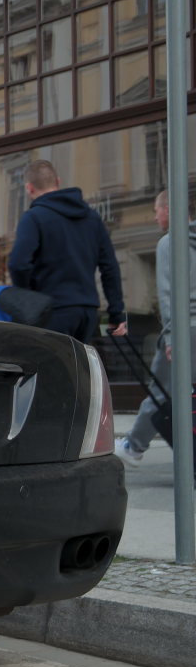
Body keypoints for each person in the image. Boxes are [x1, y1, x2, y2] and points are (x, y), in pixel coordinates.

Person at [8, 160, 127, 342]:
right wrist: (116, 312)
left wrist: (28, 299)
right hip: (87, 310)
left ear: (29, 188)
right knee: (79, 369)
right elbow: (109, 266)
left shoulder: (33, 218)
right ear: (58, 181)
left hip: (51, 310)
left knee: (52, 368)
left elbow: (18, 264)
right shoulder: (92, 218)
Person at [117, 190, 196, 465]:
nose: (155, 216)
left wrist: (172, 335)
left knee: (160, 390)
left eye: (156, 210)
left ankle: (133, 446)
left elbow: (169, 293)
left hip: (185, 329)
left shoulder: (168, 243)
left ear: (169, 210)